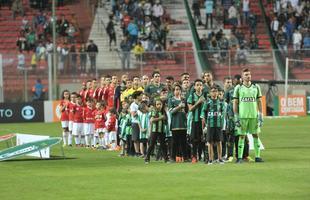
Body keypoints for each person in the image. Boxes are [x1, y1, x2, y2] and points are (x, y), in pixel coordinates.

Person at [233, 68, 264, 163]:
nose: (248, 76)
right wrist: (236, 116)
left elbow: (259, 101)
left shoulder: (256, 87)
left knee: (256, 135)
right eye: (246, 74)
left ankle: (258, 157)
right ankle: (239, 158)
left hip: (254, 116)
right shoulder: (238, 88)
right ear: (242, 77)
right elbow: (235, 102)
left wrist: (261, 115)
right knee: (242, 136)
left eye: (249, 74)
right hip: (242, 116)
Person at [201, 86, 225, 165]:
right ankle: (210, 159)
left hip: (218, 125)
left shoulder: (221, 103)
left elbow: (223, 114)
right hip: (210, 125)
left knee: (219, 142)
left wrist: (223, 124)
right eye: (213, 91)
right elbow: (203, 114)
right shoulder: (207, 102)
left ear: (218, 93)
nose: (214, 93)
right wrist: (204, 126)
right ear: (210, 93)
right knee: (210, 142)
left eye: (215, 91)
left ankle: (220, 158)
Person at [145, 99, 169, 164]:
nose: (159, 106)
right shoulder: (154, 111)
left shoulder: (164, 112)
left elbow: (166, 122)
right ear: (155, 105)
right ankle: (147, 158)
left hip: (162, 130)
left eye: (160, 104)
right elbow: (151, 120)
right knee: (151, 144)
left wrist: (165, 120)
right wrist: (160, 118)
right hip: (154, 130)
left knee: (163, 145)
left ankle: (166, 159)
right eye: (157, 104)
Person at [168, 84, 187, 162]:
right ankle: (172, 157)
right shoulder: (171, 100)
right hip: (175, 124)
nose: (177, 91)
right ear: (173, 91)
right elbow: (171, 112)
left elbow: (186, 112)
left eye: (179, 89)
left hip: (183, 124)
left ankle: (185, 158)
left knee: (184, 142)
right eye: (176, 89)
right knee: (174, 142)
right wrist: (179, 107)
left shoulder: (184, 100)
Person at [187, 79, 205, 163]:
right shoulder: (191, 96)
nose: (199, 86)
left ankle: (202, 155)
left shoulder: (206, 96)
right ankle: (194, 156)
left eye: (200, 85)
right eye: (197, 85)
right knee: (194, 140)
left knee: (203, 139)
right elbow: (190, 109)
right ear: (194, 87)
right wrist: (198, 102)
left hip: (203, 121)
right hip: (195, 120)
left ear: (203, 86)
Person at [130, 91, 143, 156]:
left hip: (142, 122)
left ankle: (141, 151)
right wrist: (139, 110)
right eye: (141, 95)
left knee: (141, 137)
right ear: (137, 96)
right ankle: (137, 152)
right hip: (135, 122)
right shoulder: (133, 105)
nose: (142, 97)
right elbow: (133, 114)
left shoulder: (141, 103)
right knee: (136, 138)